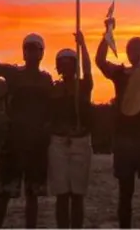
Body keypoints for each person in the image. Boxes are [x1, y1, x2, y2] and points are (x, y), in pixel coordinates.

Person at [0, 17, 53, 229]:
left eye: (36, 49)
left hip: (37, 144)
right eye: (28, 49)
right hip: (14, 141)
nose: (32, 53)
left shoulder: (47, 80)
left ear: (42, 53)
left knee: (32, 195)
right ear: (23, 52)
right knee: (4, 193)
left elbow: (54, 110)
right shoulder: (12, 73)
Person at [95, 13, 140, 229]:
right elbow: (100, 61)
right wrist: (108, 32)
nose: (136, 53)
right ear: (127, 54)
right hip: (124, 141)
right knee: (125, 194)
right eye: (132, 50)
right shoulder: (120, 74)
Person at [47, 31, 93, 229]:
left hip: (80, 141)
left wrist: (82, 45)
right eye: (62, 63)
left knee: (77, 194)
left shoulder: (83, 86)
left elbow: (89, 69)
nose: (66, 66)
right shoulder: (53, 88)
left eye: (70, 63)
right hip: (58, 143)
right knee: (62, 194)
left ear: (75, 66)